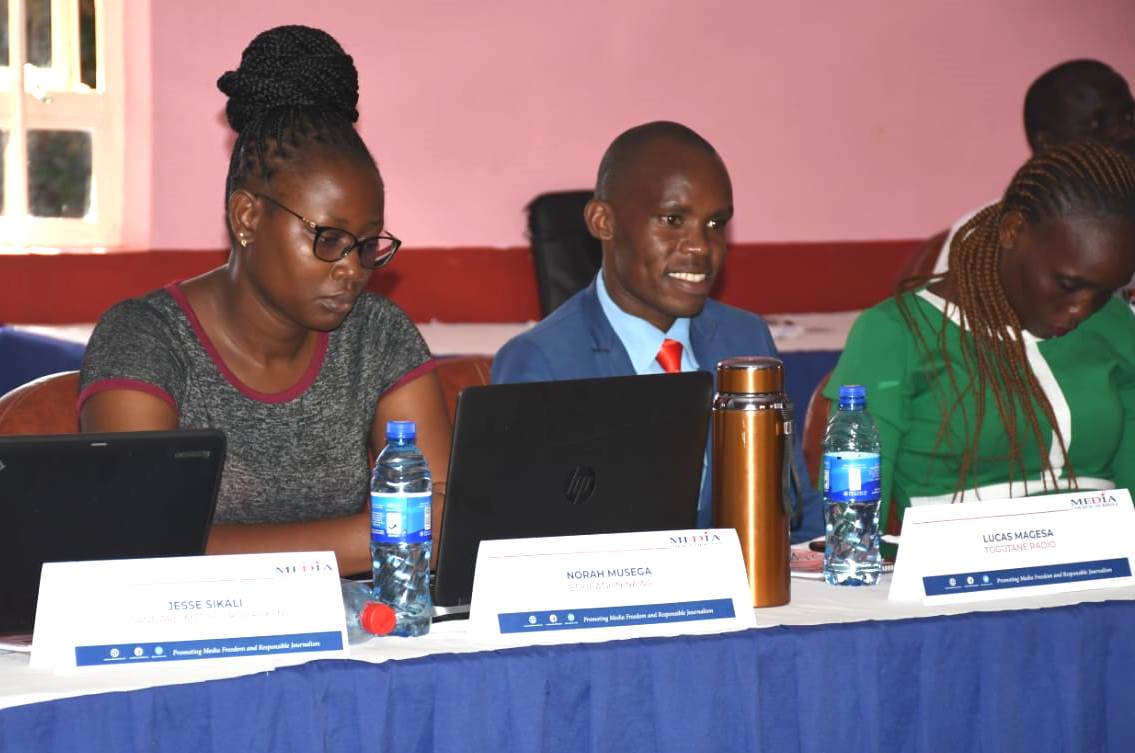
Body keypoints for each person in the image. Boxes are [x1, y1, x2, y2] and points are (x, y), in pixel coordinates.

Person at [78, 26, 451, 576]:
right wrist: (368, 538)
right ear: (248, 217)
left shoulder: (378, 334)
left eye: (367, 245)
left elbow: (447, 517)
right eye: (327, 239)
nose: (352, 269)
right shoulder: (146, 339)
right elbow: (143, 540)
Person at [491, 121, 824, 542]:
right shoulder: (544, 361)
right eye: (673, 220)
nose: (701, 247)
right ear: (602, 222)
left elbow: (794, 513)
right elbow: (527, 539)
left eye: (716, 224)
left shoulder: (745, 339)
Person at [827, 141, 1135, 532]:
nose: (1082, 309)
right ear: (1013, 230)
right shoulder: (895, 333)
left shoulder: (1113, 324)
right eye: (1067, 284)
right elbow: (853, 525)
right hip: (953, 581)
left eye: (1105, 290)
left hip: (1104, 572)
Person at [928, 59, 1135, 278]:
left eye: (1129, 116)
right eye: (1098, 124)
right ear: (1047, 143)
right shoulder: (987, 235)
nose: (1126, 133)